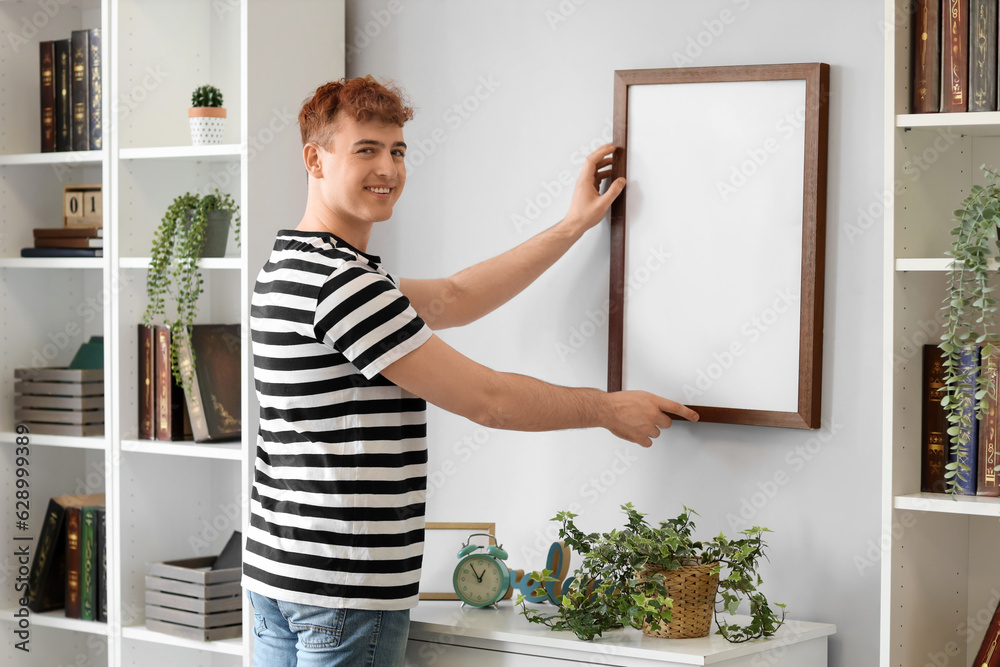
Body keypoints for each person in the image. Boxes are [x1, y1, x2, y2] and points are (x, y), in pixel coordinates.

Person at [243, 75, 699, 667]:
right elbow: (489, 400)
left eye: (398, 150)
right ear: (316, 159)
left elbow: (455, 297)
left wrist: (571, 226)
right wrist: (608, 409)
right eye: (366, 150)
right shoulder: (345, 287)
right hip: (345, 589)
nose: (389, 168)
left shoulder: (291, 265)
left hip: (280, 577)